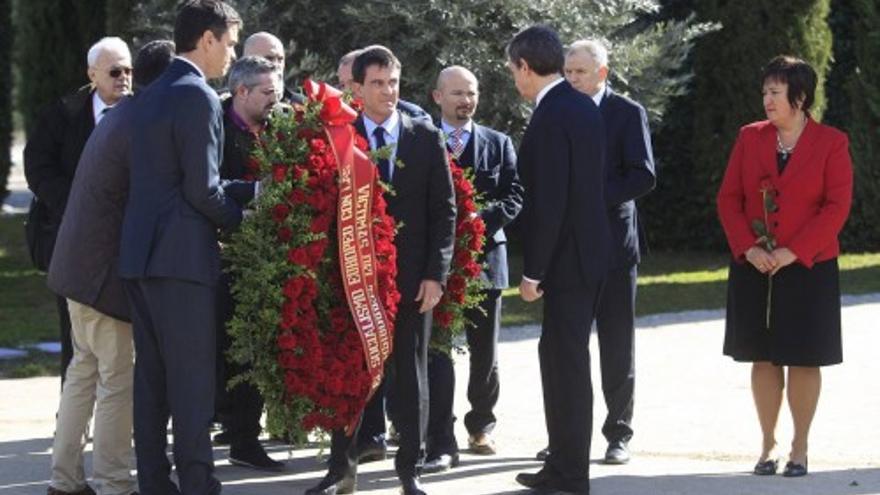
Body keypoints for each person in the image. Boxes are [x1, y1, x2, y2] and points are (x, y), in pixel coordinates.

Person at [306, 45, 456, 495]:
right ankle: (341, 470)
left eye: (393, 82)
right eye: (376, 83)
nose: (387, 92)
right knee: (347, 375)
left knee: (410, 378)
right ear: (356, 87)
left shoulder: (425, 136)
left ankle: (409, 468)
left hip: (411, 282)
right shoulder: (338, 136)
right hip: (350, 280)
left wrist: (436, 274)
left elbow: (444, 212)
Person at [118, 2, 255, 493]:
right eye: (232, 42)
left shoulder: (149, 94)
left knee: (152, 381)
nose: (233, 54)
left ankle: (155, 482)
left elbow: (171, 181)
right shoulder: (198, 96)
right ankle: (199, 483)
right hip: (181, 259)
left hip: (140, 256)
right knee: (193, 381)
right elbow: (203, 191)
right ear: (207, 39)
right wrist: (246, 224)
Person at [43, 39, 174, 495]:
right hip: (101, 279)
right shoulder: (140, 123)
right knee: (116, 380)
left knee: (83, 373)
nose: (123, 80)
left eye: (127, 72)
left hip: (77, 270)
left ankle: (64, 479)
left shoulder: (118, 117)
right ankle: (116, 484)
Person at [717, 55, 853, 478]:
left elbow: (837, 206)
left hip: (809, 266)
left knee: (804, 358)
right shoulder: (749, 137)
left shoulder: (832, 142)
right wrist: (749, 249)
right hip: (754, 266)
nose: (767, 99)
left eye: (775, 92)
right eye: (765, 91)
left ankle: (800, 447)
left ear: (800, 97)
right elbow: (729, 199)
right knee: (763, 356)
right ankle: (768, 444)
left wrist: (794, 251)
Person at [535, 39, 656, 465]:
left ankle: (618, 433)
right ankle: (566, 441)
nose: (572, 79)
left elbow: (642, 176)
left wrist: (587, 198)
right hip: (569, 252)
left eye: (580, 72)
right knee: (566, 349)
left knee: (616, 345)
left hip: (614, 249)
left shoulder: (626, 113)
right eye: (567, 72)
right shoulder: (558, 112)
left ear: (602, 73)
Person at [507, 25, 610, 495]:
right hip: (587, 255)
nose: (515, 80)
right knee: (561, 360)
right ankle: (563, 465)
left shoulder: (553, 114)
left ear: (526, 67)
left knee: (565, 365)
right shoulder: (582, 105)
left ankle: (570, 474)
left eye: (514, 71)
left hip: (567, 262)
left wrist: (533, 272)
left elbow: (551, 202)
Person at [422, 65, 522, 474]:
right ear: (437, 97)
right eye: (458, 93)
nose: (466, 100)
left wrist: (479, 220)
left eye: (472, 93)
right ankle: (436, 431)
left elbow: (515, 195)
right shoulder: (420, 141)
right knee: (435, 349)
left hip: (485, 260)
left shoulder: (499, 144)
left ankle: (481, 425)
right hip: (436, 265)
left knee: (485, 352)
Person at [24, 36, 132, 385]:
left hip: (129, 239)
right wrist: (76, 205)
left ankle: (125, 416)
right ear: (93, 74)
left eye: (129, 70)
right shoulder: (65, 113)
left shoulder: (144, 113)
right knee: (77, 335)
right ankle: (74, 416)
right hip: (75, 241)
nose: (124, 78)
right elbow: (38, 167)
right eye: (115, 70)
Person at [212, 55, 285, 471]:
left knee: (253, 351)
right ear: (242, 92)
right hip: (222, 254)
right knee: (220, 351)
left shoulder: (280, 128)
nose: (276, 100)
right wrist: (255, 194)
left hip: (269, 258)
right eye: (268, 92)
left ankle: (245, 438)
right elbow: (208, 184)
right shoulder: (216, 126)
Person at [337, 48, 429, 119]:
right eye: (342, 85)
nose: (347, 91)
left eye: (352, 82)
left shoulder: (414, 116)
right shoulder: (338, 118)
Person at [242, 31, 305, 104]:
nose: (276, 65)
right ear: (246, 62)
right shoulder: (228, 104)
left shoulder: (302, 106)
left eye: (280, 59)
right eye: (269, 58)